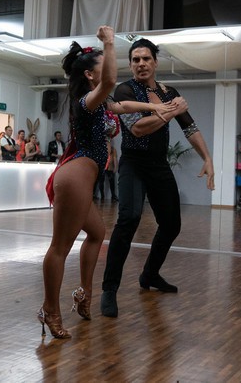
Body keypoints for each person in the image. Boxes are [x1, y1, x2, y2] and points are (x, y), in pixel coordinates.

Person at [38, 26, 174, 339]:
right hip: (76, 176)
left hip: (84, 179)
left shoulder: (101, 102)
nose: (112, 69)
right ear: (89, 75)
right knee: (60, 247)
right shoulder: (87, 101)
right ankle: (50, 309)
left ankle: (84, 294)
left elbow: (122, 106)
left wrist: (155, 106)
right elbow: (111, 81)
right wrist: (110, 43)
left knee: (97, 233)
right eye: (103, 64)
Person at [100, 38, 214, 319]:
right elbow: (138, 129)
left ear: (155, 62)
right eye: (135, 59)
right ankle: (109, 289)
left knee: (171, 224)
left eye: (146, 58)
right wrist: (170, 110)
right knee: (128, 219)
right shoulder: (125, 90)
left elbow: (190, 127)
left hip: (159, 165)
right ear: (130, 64)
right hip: (134, 164)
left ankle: (150, 274)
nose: (141, 64)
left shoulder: (168, 92)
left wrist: (207, 158)